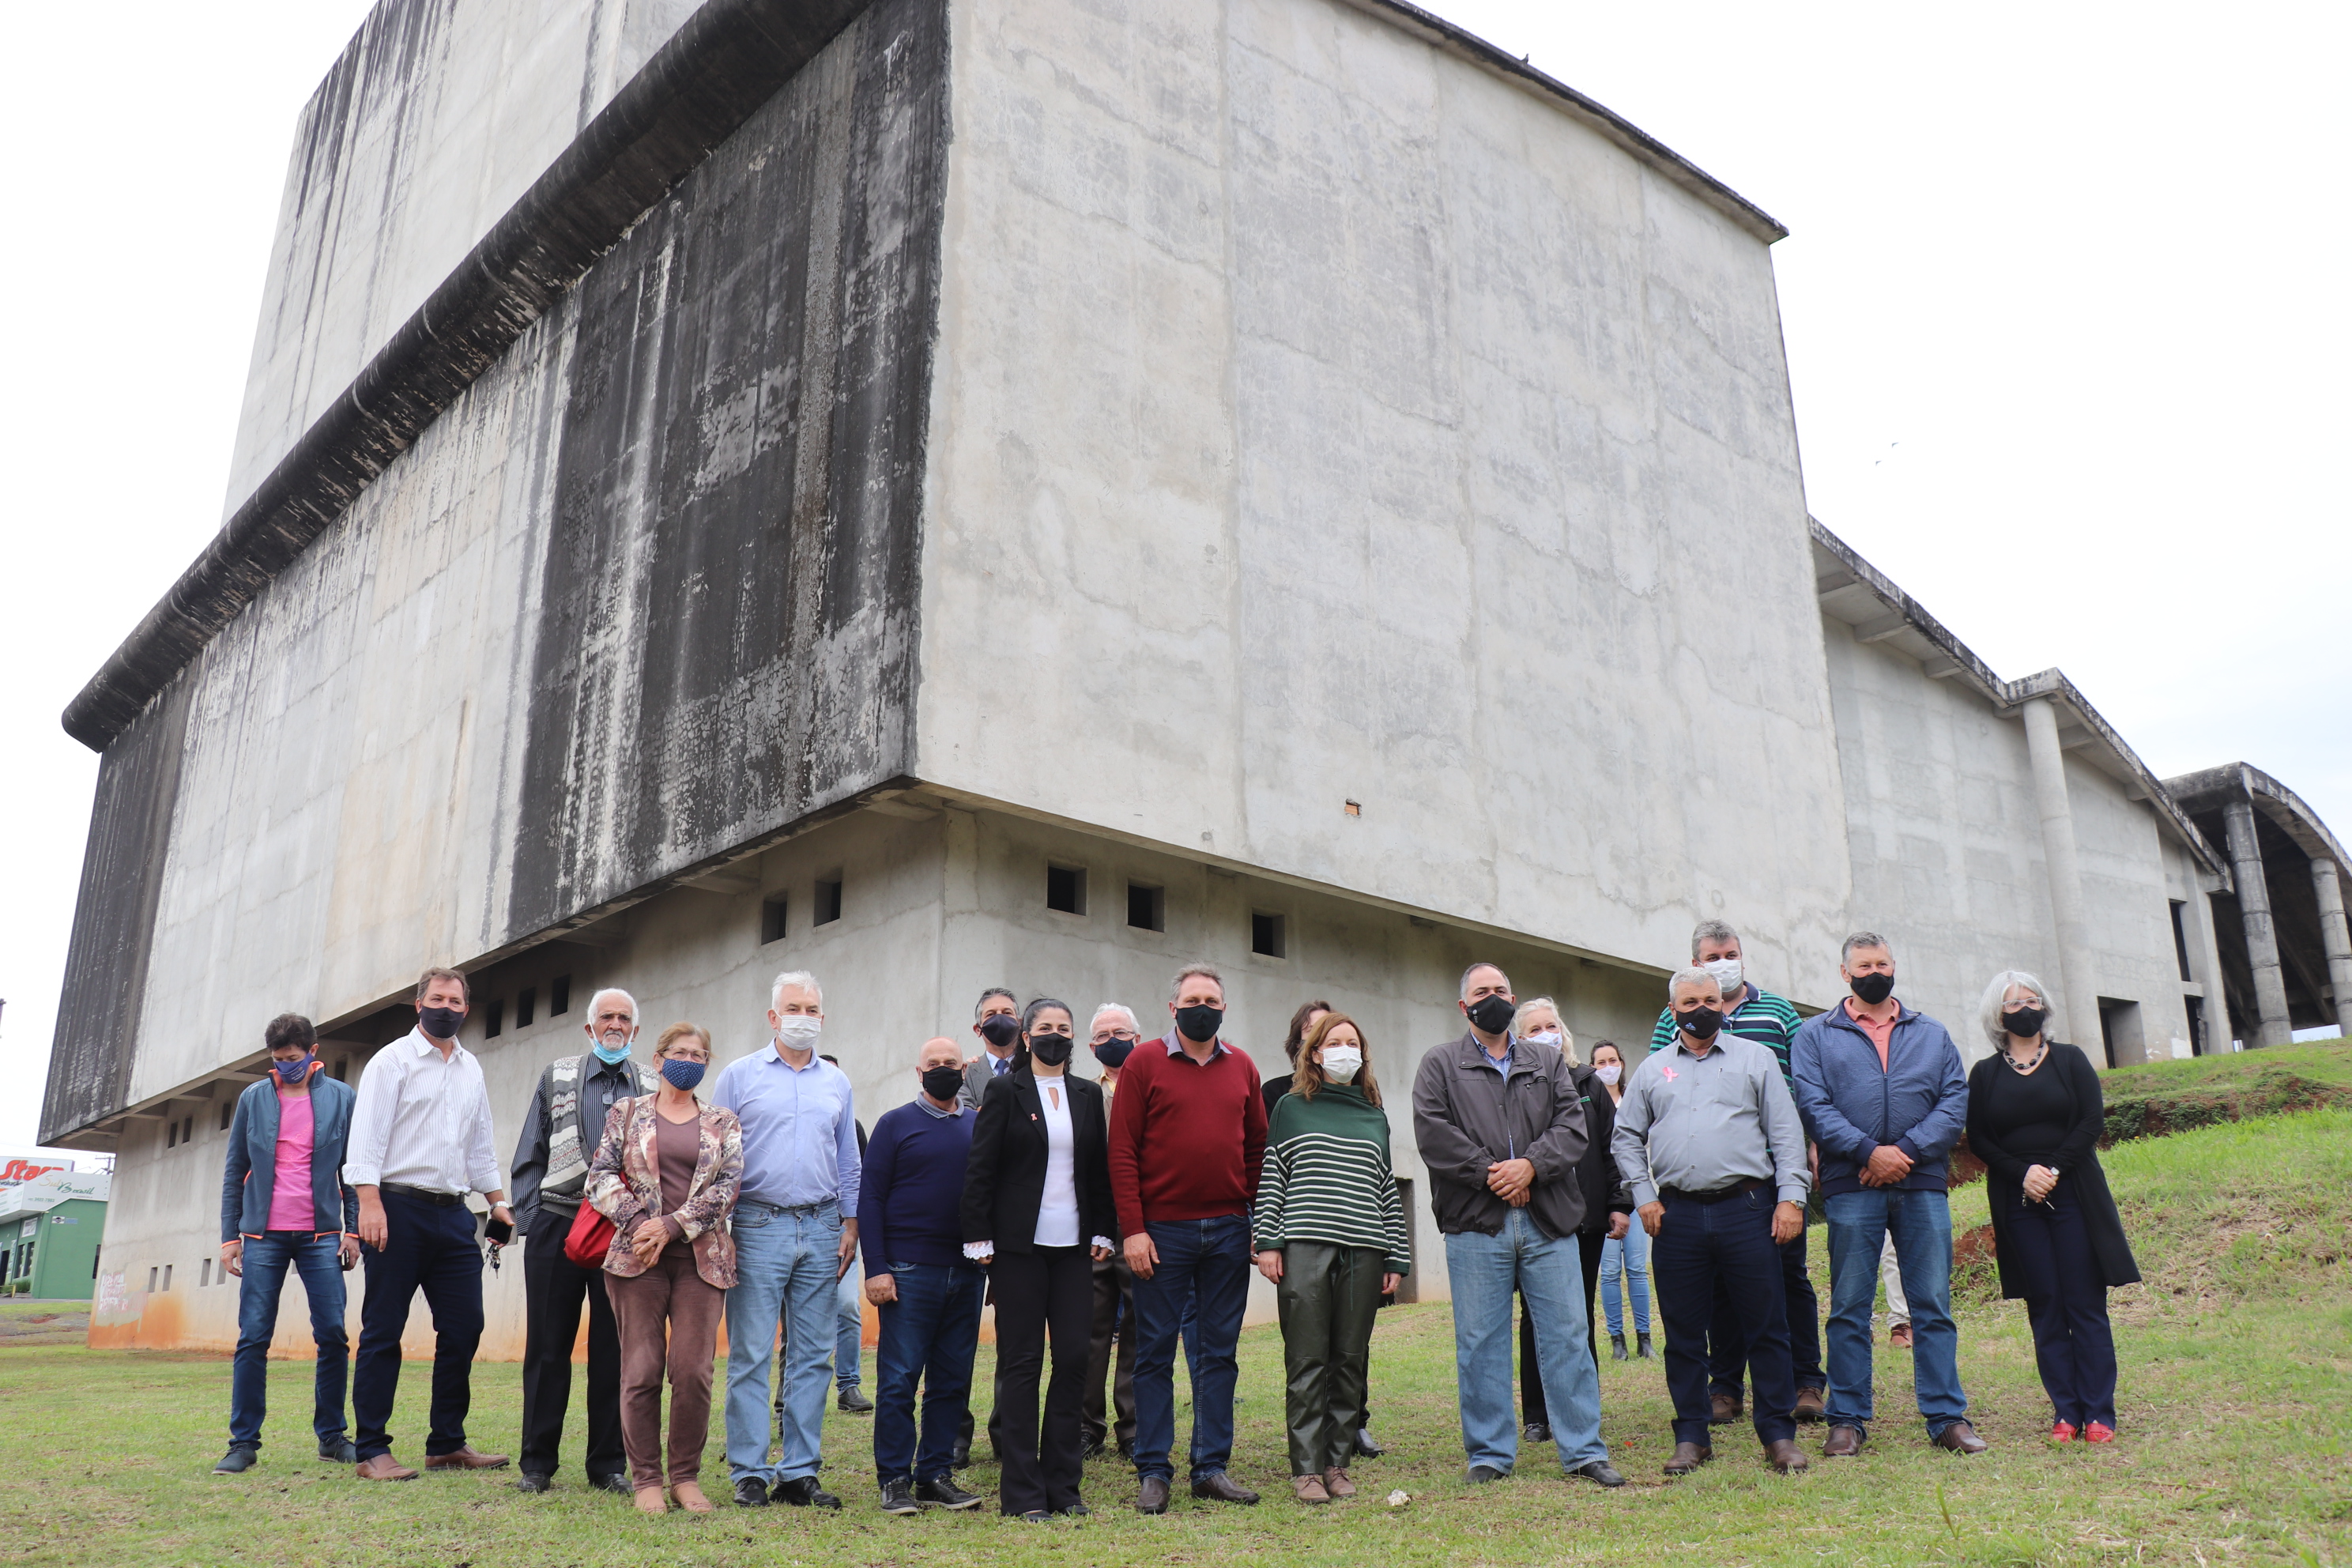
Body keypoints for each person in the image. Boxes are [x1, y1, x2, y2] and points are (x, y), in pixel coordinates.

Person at [1411, 962, 1623, 1488]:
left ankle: (1583, 1451)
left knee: (1568, 1335)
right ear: (1464, 1006)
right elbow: (1434, 1134)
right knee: (1480, 1341)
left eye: (1501, 990)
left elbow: (1571, 1129)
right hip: (1477, 1224)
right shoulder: (1440, 1064)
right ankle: (1489, 1454)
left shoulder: (1546, 1062)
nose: (1493, 998)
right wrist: (1494, 1176)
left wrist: (1531, 1166)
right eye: (1482, 992)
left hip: (1548, 1222)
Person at [1790, 932, 1983, 1457]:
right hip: (1852, 1186)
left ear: (1894, 966)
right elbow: (1813, 1104)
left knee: (1932, 1305)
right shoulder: (1814, 1036)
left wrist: (1905, 1153)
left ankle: (1946, 1416)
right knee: (1850, 1306)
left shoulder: (1933, 1034)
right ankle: (1847, 1418)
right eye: (1863, 964)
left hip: (1921, 1185)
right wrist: (1867, 1153)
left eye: (1881, 962)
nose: (1873, 970)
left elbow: (1953, 1100)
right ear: (1844, 972)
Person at [1612, 968, 1810, 1477]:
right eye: (1689, 1001)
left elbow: (1786, 1133)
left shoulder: (1756, 1058)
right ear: (1673, 1010)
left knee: (1766, 1324)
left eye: (1709, 999)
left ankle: (1778, 1434)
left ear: (1722, 1004)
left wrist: (1790, 1199)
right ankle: (1692, 1437)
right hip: (1675, 1216)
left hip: (1748, 1208)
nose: (1700, 1007)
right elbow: (1625, 1138)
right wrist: (1643, 1196)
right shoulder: (1653, 1071)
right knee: (1682, 1332)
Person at [1645, 921, 1822, 1425]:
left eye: (1731, 953)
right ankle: (1725, 1386)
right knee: (1720, 1287)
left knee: (1789, 1280)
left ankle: (1805, 1379)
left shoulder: (1779, 1011)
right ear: (1696, 964)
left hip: (1769, 1177)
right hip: (1707, 1184)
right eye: (1713, 955)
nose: (1724, 961)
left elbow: (1801, 1081)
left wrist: (1804, 1151)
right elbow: (1662, 1078)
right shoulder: (1672, 1016)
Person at [1108, 963, 1268, 1513]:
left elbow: (1256, 1152)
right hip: (1162, 1234)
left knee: (1218, 1354)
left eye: (1213, 999)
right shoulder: (1143, 1063)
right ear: (1173, 1009)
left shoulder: (1242, 1066)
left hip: (1228, 1229)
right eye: (1193, 998)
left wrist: (1256, 1222)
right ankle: (1154, 1470)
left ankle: (1211, 1467)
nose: (1204, 1006)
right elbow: (1122, 1151)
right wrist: (1133, 1230)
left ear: (1223, 1008)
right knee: (1153, 1353)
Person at [345, 967, 513, 1480]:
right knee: (383, 1329)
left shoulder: (470, 1070)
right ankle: (372, 1448)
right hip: (396, 1210)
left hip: (453, 1213)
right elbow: (366, 1139)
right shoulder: (390, 1062)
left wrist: (498, 1203)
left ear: (466, 1008)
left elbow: (479, 1146)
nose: (447, 1006)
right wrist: (369, 1203)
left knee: (465, 1326)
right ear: (419, 1004)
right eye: (437, 998)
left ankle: (446, 1443)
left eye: (456, 999)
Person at [708, 971, 861, 1510]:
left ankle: (799, 1470)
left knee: (815, 1355)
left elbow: (848, 1158)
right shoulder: (738, 1076)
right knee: (751, 1352)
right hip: (756, 1224)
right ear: (773, 1017)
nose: (804, 1017)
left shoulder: (836, 1083)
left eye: (813, 1008)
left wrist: (850, 1223)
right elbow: (715, 1154)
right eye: (794, 1007)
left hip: (821, 1227)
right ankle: (749, 1471)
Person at [1966, 971, 2139, 1445]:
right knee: (2044, 1304)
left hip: (2074, 1192)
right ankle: (2066, 1410)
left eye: (2032, 999)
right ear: (1997, 1016)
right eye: (2013, 1003)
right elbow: (1979, 1136)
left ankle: (2100, 1412)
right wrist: (2023, 1174)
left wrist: (2052, 1170)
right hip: (2017, 1199)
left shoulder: (2069, 1059)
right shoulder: (1984, 1074)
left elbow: (2090, 1120)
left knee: (2084, 1302)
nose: (2025, 1008)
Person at [964, 999, 1118, 1520]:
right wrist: (978, 1235)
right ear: (1026, 1037)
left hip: (1074, 1248)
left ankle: (1064, 1487)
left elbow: (1097, 1169)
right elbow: (981, 1166)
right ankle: (1024, 1494)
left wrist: (1105, 1227)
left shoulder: (1086, 1094)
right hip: (1018, 1250)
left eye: (1064, 1028)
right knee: (1023, 1364)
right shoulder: (1006, 1090)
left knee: (1075, 1358)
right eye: (1045, 1028)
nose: (1055, 1035)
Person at [584, 1023, 742, 1514]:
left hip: (701, 1259)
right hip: (637, 1259)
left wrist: (673, 1226)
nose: (689, 1060)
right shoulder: (627, 1112)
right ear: (658, 1060)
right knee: (642, 1369)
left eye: (699, 1054)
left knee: (693, 1370)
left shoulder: (723, 1121)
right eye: (680, 1052)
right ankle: (646, 1479)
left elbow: (729, 1186)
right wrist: (640, 1224)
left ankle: (686, 1478)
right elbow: (601, 1175)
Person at [1252, 1013, 1409, 1504]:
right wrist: (1268, 1242)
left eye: (1353, 1043)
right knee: (1306, 1360)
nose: (1345, 1050)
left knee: (1349, 1360)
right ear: (1314, 1054)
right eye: (1333, 1043)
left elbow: (1386, 1187)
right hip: (1303, 1248)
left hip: (1365, 1249)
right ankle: (1306, 1470)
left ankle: (1337, 1464)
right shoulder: (1290, 1108)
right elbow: (1273, 1175)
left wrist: (1397, 1258)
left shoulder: (1374, 1113)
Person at [508, 987, 658, 1495]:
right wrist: (534, 1215)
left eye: (623, 1018)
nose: (614, 1024)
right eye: (605, 1017)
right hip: (559, 1222)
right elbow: (530, 1148)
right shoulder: (559, 1075)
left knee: (614, 1349)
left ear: (634, 1031)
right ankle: (537, 1465)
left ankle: (607, 1465)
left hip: (625, 1229)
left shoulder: (652, 1084)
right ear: (589, 1028)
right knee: (548, 1346)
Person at [213, 1013, 361, 1474]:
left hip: (321, 1235)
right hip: (262, 1235)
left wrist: (352, 1230)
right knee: (253, 1336)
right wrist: (228, 1237)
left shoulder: (341, 1098)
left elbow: (353, 1172)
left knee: (333, 1335)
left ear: (313, 1052)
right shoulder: (253, 1098)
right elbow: (235, 1169)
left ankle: (333, 1436)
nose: (285, 1067)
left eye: (293, 1059)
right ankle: (243, 1443)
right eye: (278, 1061)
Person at [860, 1037, 988, 1516]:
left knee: (952, 1380)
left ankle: (935, 1473)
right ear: (918, 1072)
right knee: (899, 1379)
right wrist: (877, 1268)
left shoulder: (979, 1125)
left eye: (950, 1064)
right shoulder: (894, 1125)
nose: (941, 1070)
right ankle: (894, 1479)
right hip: (909, 1272)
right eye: (932, 1064)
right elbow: (870, 1199)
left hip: (968, 1271)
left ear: (964, 1069)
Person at [1508, 998, 1631, 1444]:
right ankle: (1538, 1414)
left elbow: (1611, 1148)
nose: (1546, 1035)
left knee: (1578, 1313)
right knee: (1534, 1317)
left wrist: (1619, 1203)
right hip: (1539, 1219)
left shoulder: (1588, 1083)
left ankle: (1582, 1406)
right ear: (1519, 1039)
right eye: (1535, 1029)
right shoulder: (1516, 1086)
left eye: (1552, 1026)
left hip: (1589, 1221)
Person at [1081, 1003, 1144, 1460]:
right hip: (1090, 1227)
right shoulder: (1083, 1094)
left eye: (1120, 1032)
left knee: (1140, 1328)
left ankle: (1134, 1428)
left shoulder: (1151, 1088)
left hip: (1141, 1223)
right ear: (1090, 1047)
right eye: (1102, 1035)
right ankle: (1087, 1427)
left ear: (1137, 1040)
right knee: (1090, 1328)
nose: (1111, 1040)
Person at [1587, 1042, 1653, 1361]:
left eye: (1613, 1060)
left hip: (1638, 1196)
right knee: (1610, 1271)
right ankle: (1617, 1341)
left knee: (1637, 1269)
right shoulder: (1589, 1102)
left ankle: (1645, 1338)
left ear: (1622, 1063)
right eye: (1600, 1062)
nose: (1608, 1066)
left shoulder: (1636, 1099)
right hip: (1606, 1200)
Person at [1264, 999, 1334, 1116]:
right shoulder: (1276, 1092)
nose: (1320, 1037)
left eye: (1326, 1029)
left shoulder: (1359, 1092)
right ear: (1298, 1043)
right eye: (1312, 1031)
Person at [959, 987, 1023, 1109]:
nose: (1000, 1019)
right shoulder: (966, 1074)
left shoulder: (1034, 1068)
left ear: (1019, 1024)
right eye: (991, 1014)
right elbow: (966, 1117)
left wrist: (984, 1110)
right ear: (978, 1030)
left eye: (1007, 1013)